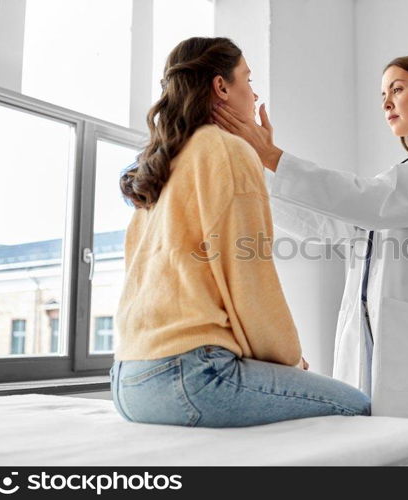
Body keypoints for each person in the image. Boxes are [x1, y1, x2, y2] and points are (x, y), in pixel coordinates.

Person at [211, 53, 408, 465]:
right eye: (382, 95)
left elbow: (372, 201)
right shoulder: (398, 179)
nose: (387, 102)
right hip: (375, 344)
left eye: (397, 88)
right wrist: (257, 169)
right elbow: (329, 226)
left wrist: (273, 156)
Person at [109, 36, 371, 428]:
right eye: (247, 79)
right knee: (358, 406)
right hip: (189, 377)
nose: (254, 92)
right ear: (221, 87)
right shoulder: (227, 151)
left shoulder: (160, 162)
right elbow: (250, 278)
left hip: (128, 380)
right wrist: (289, 359)